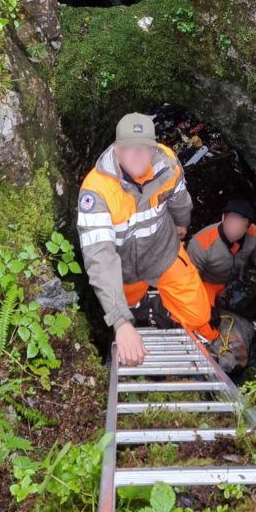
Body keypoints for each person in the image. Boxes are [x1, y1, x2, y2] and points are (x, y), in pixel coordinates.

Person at [77, 112, 220, 366]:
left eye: (144, 148)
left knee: (199, 314)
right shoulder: (96, 191)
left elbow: (179, 196)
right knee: (132, 308)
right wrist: (121, 323)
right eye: (129, 148)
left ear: (154, 148)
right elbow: (100, 259)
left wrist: (182, 223)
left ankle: (166, 311)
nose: (138, 155)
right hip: (125, 269)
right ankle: (141, 316)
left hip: (163, 252)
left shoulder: (167, 164)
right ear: (116, 148)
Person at [188, 197, 256, 307]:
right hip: (205, 284)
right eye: (231, 222)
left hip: (231, 281)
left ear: (247, 228)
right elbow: (189, 280)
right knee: (204, 314)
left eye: (240, 227)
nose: (234, 230)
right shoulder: (200, 244)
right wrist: (203, 304)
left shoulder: (253, 233)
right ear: (223, 218)